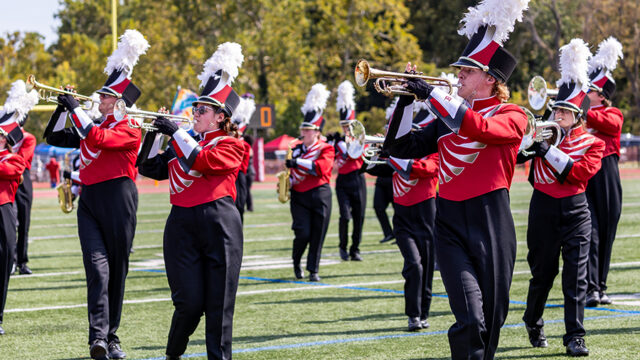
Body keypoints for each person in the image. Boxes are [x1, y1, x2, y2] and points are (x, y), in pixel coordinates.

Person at [382, 0, 530, 358]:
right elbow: (399, 146)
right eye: (459, 70)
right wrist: (404, 100)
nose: (458, 75)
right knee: (469, 317)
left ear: (490, 79)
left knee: (491, 320)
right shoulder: (446, 117)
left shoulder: (513, 114)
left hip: (490, 218)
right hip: (448, 220)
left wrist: (433, 95)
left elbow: (482, 127)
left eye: (467, 70)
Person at [43, 29, 149, 360]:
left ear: (119, 102)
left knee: (116, 269)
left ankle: (112, 336)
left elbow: (98, 139)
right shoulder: (92, 124)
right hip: (89, 200)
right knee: (97, 268)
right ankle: (98, 339)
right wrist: (64, 108)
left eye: (104, 97)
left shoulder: (130, 129)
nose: (98, 100)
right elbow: (55, 137)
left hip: (119, 199)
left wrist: (77, 110)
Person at [138, 42, 245, 360]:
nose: (194, 113)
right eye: (195, 108)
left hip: (219, 222)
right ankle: (173, 354)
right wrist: (155, 134)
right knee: (188, 302)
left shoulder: (232, 144)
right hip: (181, 224)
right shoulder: (182, 142)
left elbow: (203, 162)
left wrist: (176, 133)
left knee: (219, 305)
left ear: (219, 117)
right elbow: (147, 167)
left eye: (202, 110)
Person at [519, 39, 604, 357]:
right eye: (556, 109)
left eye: (565, 111)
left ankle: (575, 336)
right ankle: (533, 318)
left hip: (575, 210)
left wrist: (547, 151)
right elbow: (512, 158)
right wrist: (528, 141)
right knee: (543, 274)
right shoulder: (542, 133)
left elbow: (579, 174)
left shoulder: (592, 143)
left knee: (576, 276)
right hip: (542, 208)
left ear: (579, 116)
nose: (557, 115)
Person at [389, 103, 439, 332]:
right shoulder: (396, 154)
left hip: (425, 216)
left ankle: (423, 313)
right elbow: (369, 168)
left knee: (427, 267)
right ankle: (412, 315)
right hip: (402, 219)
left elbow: (425, 169)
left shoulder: (434, 153)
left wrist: (394, 159)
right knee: (414, 265)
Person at [584, 37, 625, 307]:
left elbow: (607, 125)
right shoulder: (578, 113)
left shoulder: (614, 114)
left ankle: (601, 286)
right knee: (591, 232)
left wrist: (580, 109)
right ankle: (590, 288)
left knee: (607, 231)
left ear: (601, 95)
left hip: (608, 173)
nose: (585, 94)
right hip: (588, 171)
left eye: (589, 90)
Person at [286, 83, 334, 282]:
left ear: (317, 132)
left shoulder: (326, 149)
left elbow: (320, 168)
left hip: (320, 193)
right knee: (303, 233)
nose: (303, 133)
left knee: (318, 234)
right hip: (299, 195)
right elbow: (288, 168)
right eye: (302, 129)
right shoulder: (295, 147)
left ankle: (313, 270)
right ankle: (297, 261)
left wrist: (297, 162)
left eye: (308, 130)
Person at [0, 87, 34, 335]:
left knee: (3, 260)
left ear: (4, 140)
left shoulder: (12, 158)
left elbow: (14, 170)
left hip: (3, 209)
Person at [0, 80, 38, 276]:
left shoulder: (28, 138)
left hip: (20, 179)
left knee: (23, 221)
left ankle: (22, 260)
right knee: (8, 222)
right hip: (5, 179)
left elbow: (21, 161)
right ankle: (10, 259)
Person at [333, 80, 366, 261]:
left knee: (359, 217)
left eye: (349, 125)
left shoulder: (361, 139)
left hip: (358, 178)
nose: (346, 128)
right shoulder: (336, 141)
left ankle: (355, 249)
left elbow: (363, 154)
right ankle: (342, 247)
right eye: (344, 125)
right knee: (345, 216)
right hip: (343, 181)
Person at [231, 93, 256, 223]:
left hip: (239, 176)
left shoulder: (244, 145)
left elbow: (242, 163)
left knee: (239, 205)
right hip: (229, 178)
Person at [244, 134, 256, 212]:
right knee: (246, 190)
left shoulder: (249, 149)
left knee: (246, 190)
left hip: (249, 172)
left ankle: (250, 207)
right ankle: (249, 207)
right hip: (250, 172)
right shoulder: (250, 148)